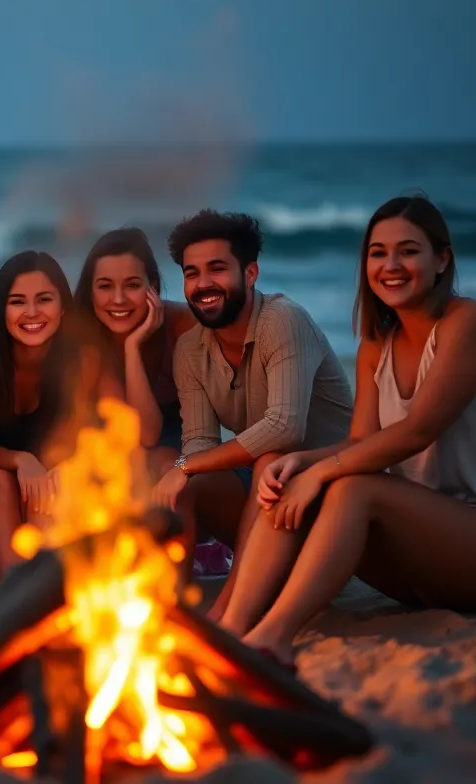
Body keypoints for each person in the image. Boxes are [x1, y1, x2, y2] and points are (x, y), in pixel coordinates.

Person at [225, 194, 476, 670]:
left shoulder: (471, 325)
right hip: (425, 552)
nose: (391, 265)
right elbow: (361, 444)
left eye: (408, 251)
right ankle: (234, 630)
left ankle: (273, 639)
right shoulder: (377, 342)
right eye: (378, 253)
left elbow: (416, 431)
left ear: (441, 260)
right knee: (277, 478)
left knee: (352, 490)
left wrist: (322, 474)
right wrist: (302, 463)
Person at [149, 209, 353, 611]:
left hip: (331, 495)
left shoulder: (282, 320)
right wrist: (181, 470)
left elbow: (284, 428)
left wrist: (184, 466)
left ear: (251, 273)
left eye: (217, 269)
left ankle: (231, 605)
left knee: (270, 459)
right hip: (268, 498)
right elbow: (201, 445)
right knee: (183, 486)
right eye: (192, 273)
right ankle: (169, 607)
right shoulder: (191, 350)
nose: (203, 284)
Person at [74, 226, 233, 579]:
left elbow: (204, 424)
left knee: (162, 462)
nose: (118, 299)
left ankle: (199, 548)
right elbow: (140, 434)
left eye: (132, 285)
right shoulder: (89, 344)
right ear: (90, 292)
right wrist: (132, 349)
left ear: (153, 289)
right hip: (130, 445)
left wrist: (134, 345)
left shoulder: (184, 326)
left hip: (193, 441)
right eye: (105, 286)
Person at [0, 250, 114, 575]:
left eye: (43, 299)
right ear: (1, 309)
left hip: (40, 496)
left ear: (62, 307)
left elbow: (86, 436)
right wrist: (21, 460)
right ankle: (14, 586)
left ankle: (44, 585)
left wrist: (65, 466)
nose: (31, 312)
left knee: (55, 478)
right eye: (17, 301)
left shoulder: (81, 358)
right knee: (0, 478)